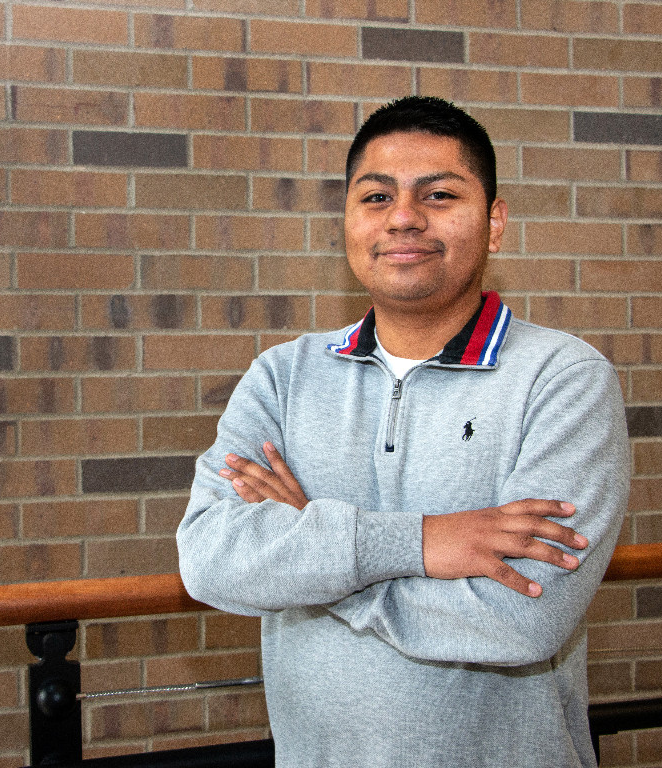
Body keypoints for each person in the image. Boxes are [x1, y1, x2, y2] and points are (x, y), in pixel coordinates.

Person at [177, 96, 629, 767]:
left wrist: (313, 554)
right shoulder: (284, 375)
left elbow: (522, 619)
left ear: (495, 222)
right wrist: (422, 541)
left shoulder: (562, 379)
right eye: (376, 197)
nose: (404, 218)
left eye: (439, 194)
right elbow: (209, 560)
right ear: (348, 220)